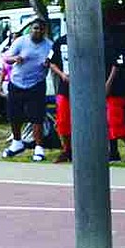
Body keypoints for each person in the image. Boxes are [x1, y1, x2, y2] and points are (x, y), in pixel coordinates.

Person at [1, 18, 53, 162]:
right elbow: (6, 58)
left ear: (45, 31)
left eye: (41, 29)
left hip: (36, 84)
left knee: (37, 117)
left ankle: (39, 148)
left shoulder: (49, 45)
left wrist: (47, 63)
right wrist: (16, 58)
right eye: (35, 28)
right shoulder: (21, 41)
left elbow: (53, 62)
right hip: (17, 82)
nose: (38, 31)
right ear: (30, 29)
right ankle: (17, 142)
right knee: (14, 115)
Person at [105, 49, 125, 164]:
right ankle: (113, 153)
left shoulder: (113, 45)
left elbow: (116, 65)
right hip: (105, 87)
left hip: (117, 90)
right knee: (109, 123)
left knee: (115, 122)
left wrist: (108, 83)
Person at [48, 34, 72, 162]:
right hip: (65, 86)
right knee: (62, 120)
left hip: (85, 87)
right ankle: (67, 149)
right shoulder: (61, 41)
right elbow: (51, 63)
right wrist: (62, 74)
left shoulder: (90, 39)